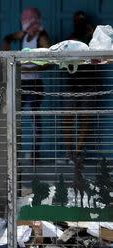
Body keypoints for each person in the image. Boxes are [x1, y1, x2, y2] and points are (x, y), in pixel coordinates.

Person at [2, 7, 50, 164]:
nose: (26, 23)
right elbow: (7, 39)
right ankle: (14, 152)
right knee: (15, 116)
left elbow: (50, 62)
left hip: (34, 82)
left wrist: (31, 66)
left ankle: (34, 154)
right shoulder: (23, 35)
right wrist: (9, 59)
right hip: (21, 82)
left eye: (28, 20)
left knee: (34, 118)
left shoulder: (42, 37)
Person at [63, 10, 96, 154]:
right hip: (73, 82)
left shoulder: (93, 38)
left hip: (90, 82)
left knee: (86, 118)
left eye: (82, 20)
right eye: (77, 20)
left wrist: (93, 34)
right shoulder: (71, 39)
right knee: (68, 117)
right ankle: (69, 151)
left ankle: (77, 151)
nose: (80, 23)